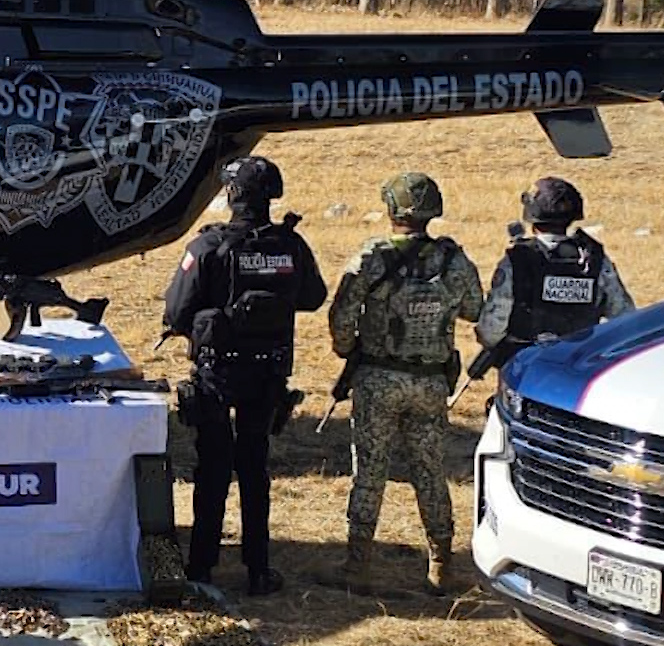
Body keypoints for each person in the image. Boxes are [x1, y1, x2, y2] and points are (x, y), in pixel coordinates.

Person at [162, 156, 327, 595]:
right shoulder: (291, 245)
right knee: (255, 468)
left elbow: (176, 311)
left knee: (213, 469)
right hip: (267, 372)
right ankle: (258, 569)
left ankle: (201, 567)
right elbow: (313, 297)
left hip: (218, 370)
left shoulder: (207, 246)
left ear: (232, 195)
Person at [327, 172, 483, 594]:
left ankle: (357, 564)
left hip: (377, 378)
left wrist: (349, 350)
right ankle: (441, 564)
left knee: (370, 470)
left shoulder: (372, 257)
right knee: (430, 469)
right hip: (431, 382)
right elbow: (474, 309)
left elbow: (342, 315)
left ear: (392, 208)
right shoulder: (453, 260)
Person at [473, 177, 635, 373]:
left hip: (524, 368)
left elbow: (492, 329)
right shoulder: (594, 260)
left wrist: (491, 344)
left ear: (531, 216)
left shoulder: (518, 260)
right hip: (577, 365)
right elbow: (624, 316)